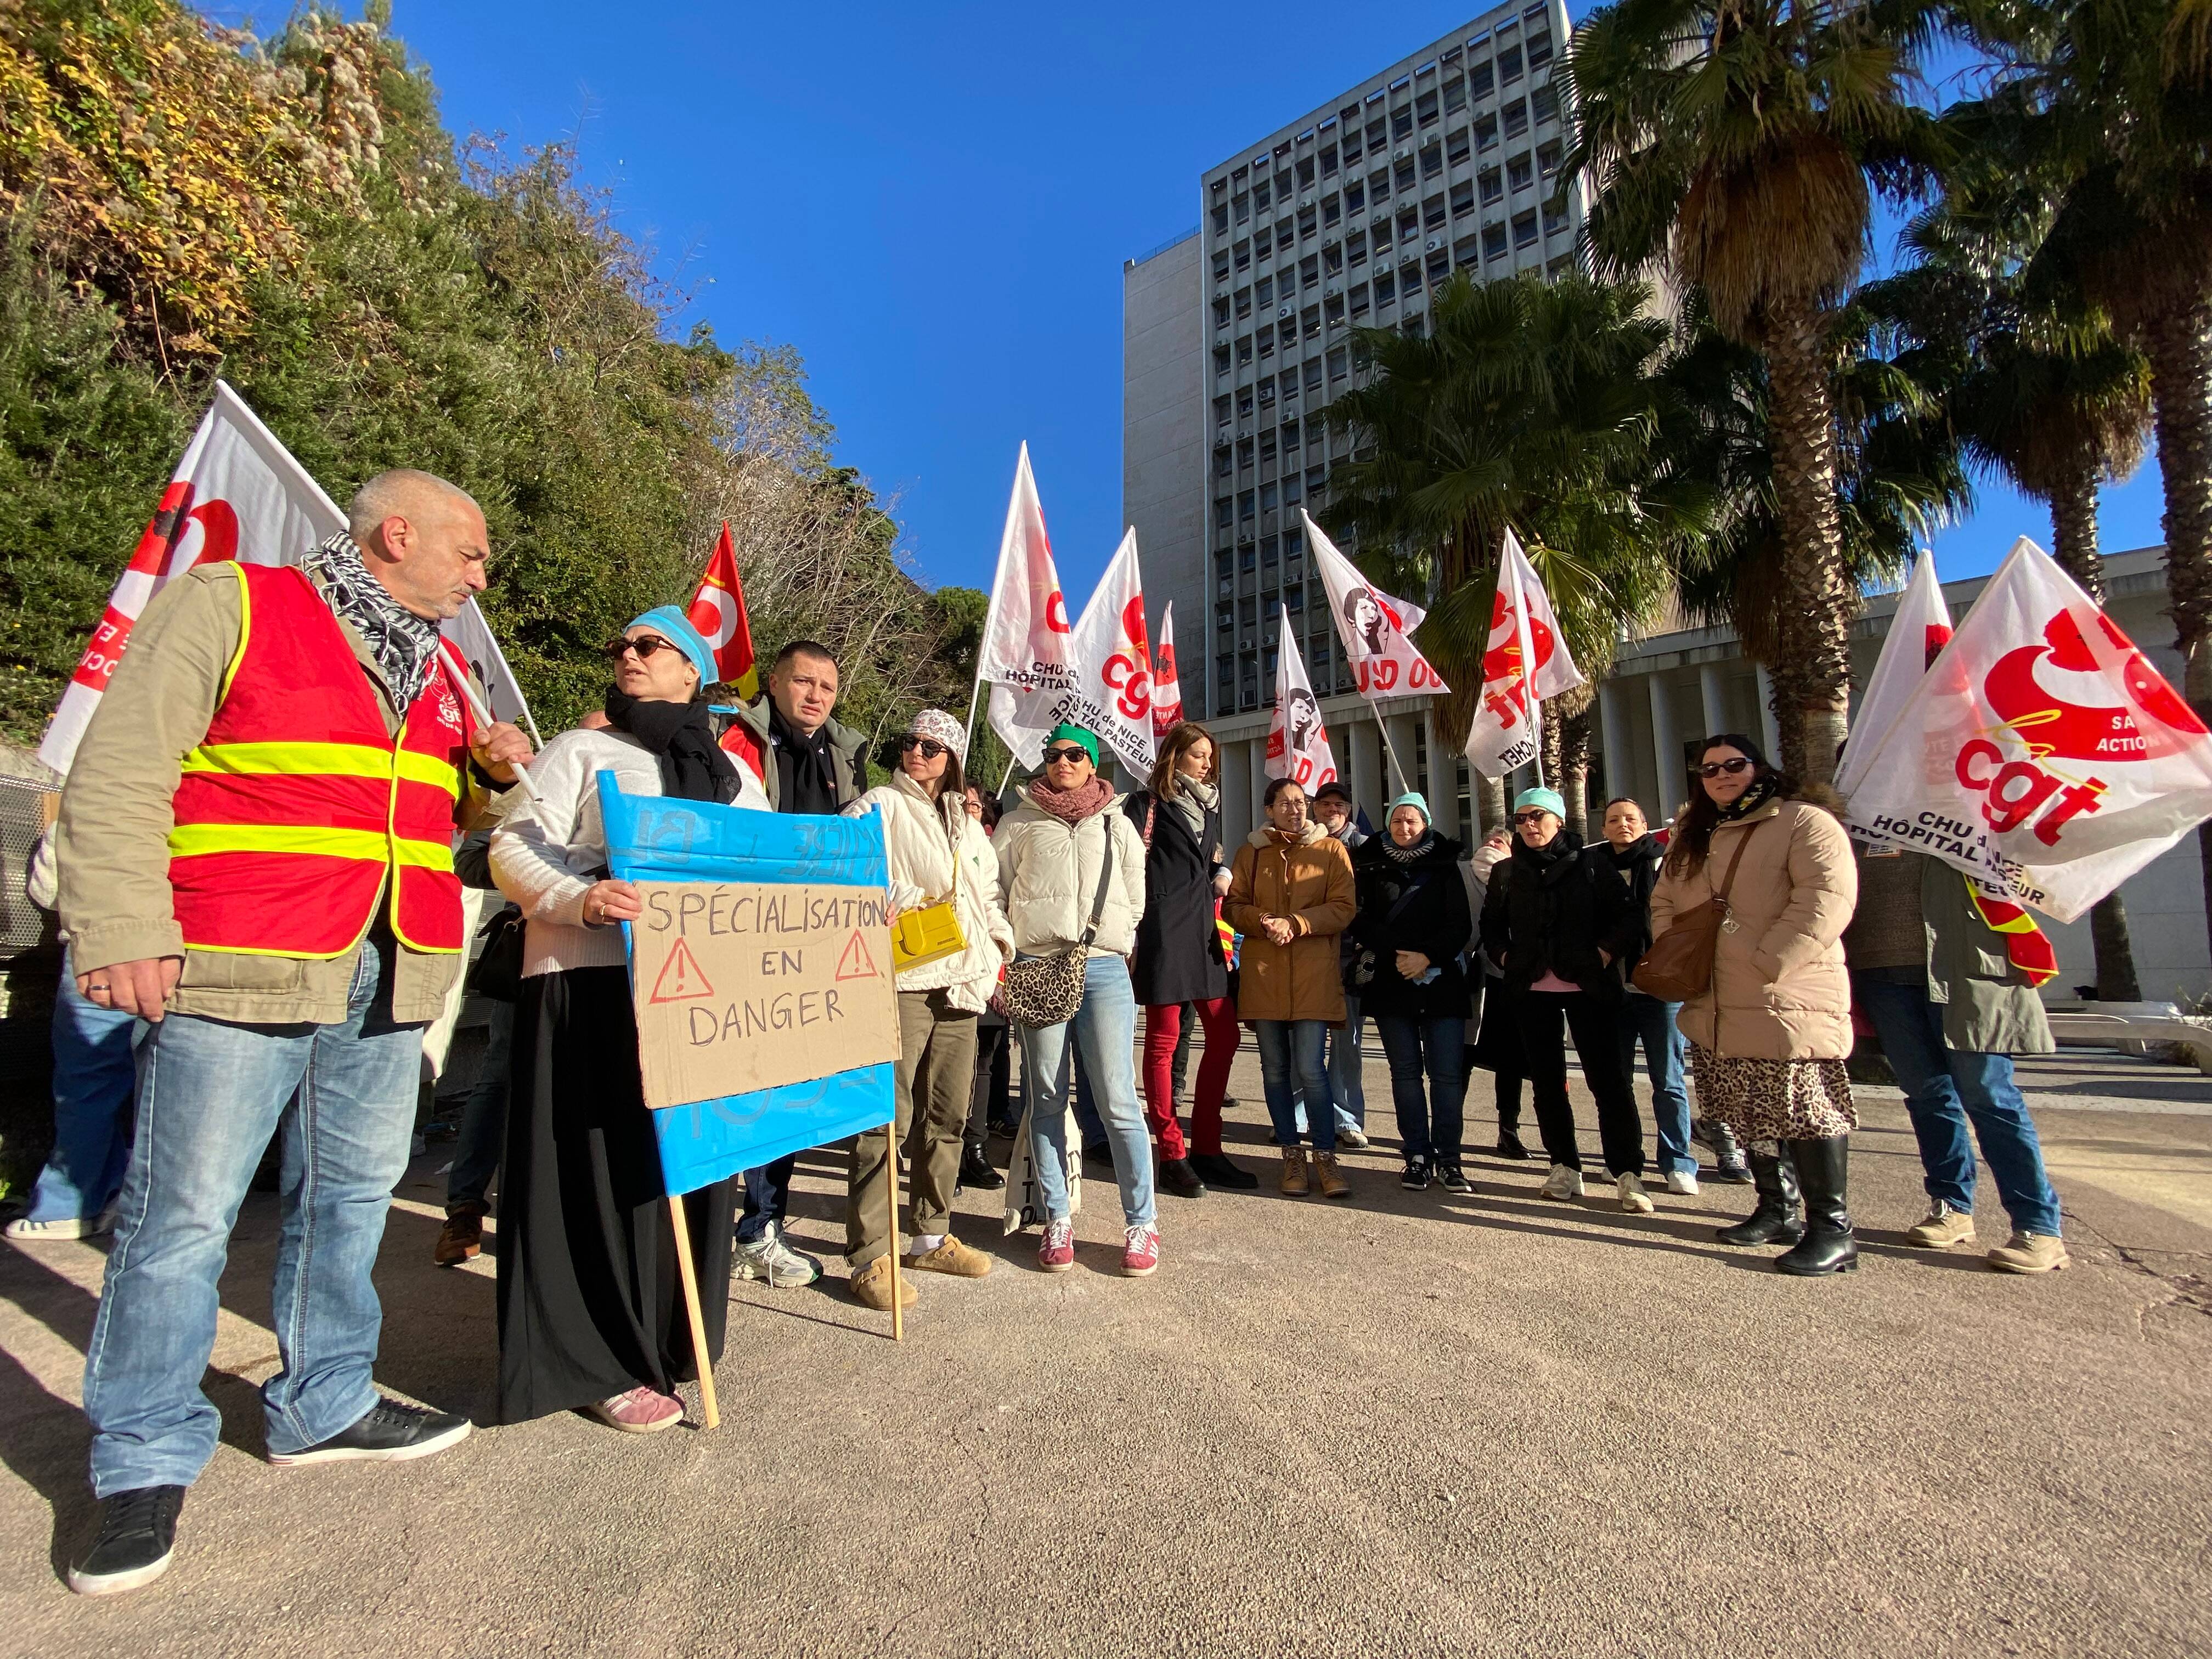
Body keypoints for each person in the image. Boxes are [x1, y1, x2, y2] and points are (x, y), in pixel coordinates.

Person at [56, 469, 531, 1595]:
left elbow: (435, 818)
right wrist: (120, 924)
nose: (478, 579)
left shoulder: (442, 674)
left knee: (351, 1198)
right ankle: (141, 1459)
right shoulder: (234, 602)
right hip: (243, 957)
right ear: (396, 534)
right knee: (182, 1220)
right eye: (469, 557)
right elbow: (122, 768)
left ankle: (324, 1401)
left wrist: (494, 780)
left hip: (390, 968)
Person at [491, 606, 770, 1434]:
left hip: (697, 1001)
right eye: (621, 645)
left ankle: (671, 1339)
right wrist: (580, 898)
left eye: (649, 645)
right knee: (597, 1176)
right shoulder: (581, 750)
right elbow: (513, 847)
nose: (628, 655)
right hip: (592, 984)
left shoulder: (733, 777)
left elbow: (766, 873)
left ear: (692, 671)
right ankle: (596, 1358)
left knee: (681, 1171)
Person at [1650, 735, 1859, 1276]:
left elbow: (1825, 898)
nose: (1721, 775)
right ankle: (1776, 1209)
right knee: (1749, 1110)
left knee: (1806, 1111)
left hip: (1784, 996)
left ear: (1759, 767)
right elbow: (1665, 901)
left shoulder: (1803, 822)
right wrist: (1677, 952)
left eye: (1733, 764)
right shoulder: (1696, 835)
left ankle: (1833, 1230)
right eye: (1709, 768)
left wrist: (1770, 961)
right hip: (1715, 998)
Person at [840, 709, 1014, 1310]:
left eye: (933, 747)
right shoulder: (878, 807)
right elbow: (846, 869)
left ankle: (931, 1234)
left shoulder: (967, 824)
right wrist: (898, 897)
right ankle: (871, 1255)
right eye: (911, 742)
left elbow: (987, 892)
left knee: (947, 1118)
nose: (917, 753)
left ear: (953, 758)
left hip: (963, 985)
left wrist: (998, 946)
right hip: (903, 978)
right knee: (884, 1117)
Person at [716, 639, 870, 1287]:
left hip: (813, 942)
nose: (814, 696)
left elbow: (853, 839)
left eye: (827, 688)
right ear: (773, 683)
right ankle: (718, 1232)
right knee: (733, 1088)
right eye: (802, 682)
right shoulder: (736, 742)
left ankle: (761, 1226)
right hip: (744, 932)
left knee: (787, 1093)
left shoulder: (846, 755)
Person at [1845, 847, 2069, 1274]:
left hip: (1965, 968)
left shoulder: (1963, 806)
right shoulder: (1863, 808)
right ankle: (1951, 1206)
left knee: (1988, 1095)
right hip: (1883, 972)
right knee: (1927, 1095)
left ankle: (2038, 1226)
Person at [995, 724, 1158, 1275]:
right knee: (1044, 1095)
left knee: (1117, 1099)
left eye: (1074, 754)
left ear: (1092, 763)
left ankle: (1142, 1224)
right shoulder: (1017, 823)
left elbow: (1135, 896)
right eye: (1054, 754)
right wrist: (1009, 942)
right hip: (1038, 964)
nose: (1062, 762)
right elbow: (996, 888)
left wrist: (1117, 938)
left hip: (1105, 967)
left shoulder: (1118, 824)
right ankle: (1057, 1218)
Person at [1479, 787, 1650, 1212]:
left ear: (1559, 821)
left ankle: (1627, 1173)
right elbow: (1491, 927)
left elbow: (1630, 917)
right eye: (1521, 819)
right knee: (1547, 1085)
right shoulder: (1507, 872)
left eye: (1538, 816)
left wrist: (1605, 953)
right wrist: (1506, 957)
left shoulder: (1592, 864)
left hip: (1589, 988)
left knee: (1609, 1084)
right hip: (1532, 990)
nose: (1529, 825)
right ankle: (1564, 1166)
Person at [1126, 721, 1245, 1194]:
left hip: (1205, 933)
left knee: (1225, 1033)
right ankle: (1171, 1153)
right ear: (1175, 757)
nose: (1207, 763)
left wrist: (1222, 870)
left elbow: (1202, 860)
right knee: (1164, 1040)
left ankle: (1208, 1147)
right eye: (1198, 755)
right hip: (1163, 932)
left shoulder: (1208, 805)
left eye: (1209, 756)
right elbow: (1131, 862)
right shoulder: (1144, 804)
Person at [1227, 777, 1357, 1200]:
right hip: (1264, 976)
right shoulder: (1252, 852)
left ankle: (1324, 1154)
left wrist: (1296, 923)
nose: (1295, 809)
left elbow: (1343, 908)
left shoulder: (1331, 850)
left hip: (1313, 977)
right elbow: (1234, 906)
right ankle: (1291, 1154)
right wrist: (1265, 921)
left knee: (1312, 1071)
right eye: (1285, 803)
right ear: (1269, 809)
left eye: (1301, 802)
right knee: (1274, 1070)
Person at [6, 827, 138, 1240]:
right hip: (184, 948)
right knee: (164, 1084)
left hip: (100, 949)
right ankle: (135, 1194)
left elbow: (47, 890)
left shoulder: (85, 808)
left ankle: (71, 1202)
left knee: (88, 1085)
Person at [1349, 794, 1473, 1192]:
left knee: (1446, 1076)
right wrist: (1399, 954)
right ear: (1388, 825)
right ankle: (1417, 1154)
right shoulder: (1368, 863)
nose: (1405, 828)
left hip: (1441, 984)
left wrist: (1427, 956)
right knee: (1404, 1073)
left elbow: (1460, 924)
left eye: (1413, 821)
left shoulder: (1446, 865)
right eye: (1398, 821)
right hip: (1390, 981)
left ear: (1426, 824)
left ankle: (1450, 1159)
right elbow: (1360, 918)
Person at [1599, 797, 1707, 1197]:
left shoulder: (1667, 864)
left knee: (1669, 1079)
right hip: (1611, 988)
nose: (1622, 825)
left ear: (1644, 824)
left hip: (1660, 988)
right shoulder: (1596, 869)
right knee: (1617, 1081)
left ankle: (1678, 1162)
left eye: (1630, 818)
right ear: (1604, 829)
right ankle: (1624, 1161)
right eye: (1613, 820)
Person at [1310, 779, 1370, 1149]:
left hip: (1350, 959)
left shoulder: (1366, 849)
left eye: (1340, 806)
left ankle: (1346, 1118)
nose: (1333, 811)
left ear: (1348, 811)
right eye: (1326, 805)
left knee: (1347, 1043)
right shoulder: (1303, 845)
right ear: (1315, 807)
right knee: (1304, 1041)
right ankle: (1301, 1115)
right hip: (1308, 957)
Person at [958, 784, 1015, 1172]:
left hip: (990, 968)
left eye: (974, 805)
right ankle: (943, 1153)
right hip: (944, 967)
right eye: (960, 802)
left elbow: (1001, 903)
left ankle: (974, 1148)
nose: (967, 810)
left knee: (985, 1059)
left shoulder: (994, 850)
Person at [1464, 826, 1528, 1160]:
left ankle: (1509, 1130)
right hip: (1469, 981)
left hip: (1509, 981)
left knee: (1511, 1060)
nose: (1492, 842)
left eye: (1501, 841)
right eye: (1488, 838)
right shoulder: (1460, 874)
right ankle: (1449, 1131)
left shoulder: (1525, 878)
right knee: (1461, 1057)